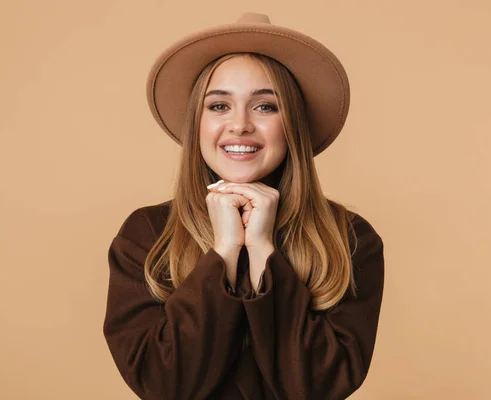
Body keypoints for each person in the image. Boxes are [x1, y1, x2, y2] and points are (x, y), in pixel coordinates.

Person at [103, 12, 385, 400]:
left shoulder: (349, 238)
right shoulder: (146, 234)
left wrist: (265, 251)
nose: (240, 125)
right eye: (218, 106)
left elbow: (318, 387)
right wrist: (223, 252)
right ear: (196, 123)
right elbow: (165, 386)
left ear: (293, 124)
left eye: (265, 107)